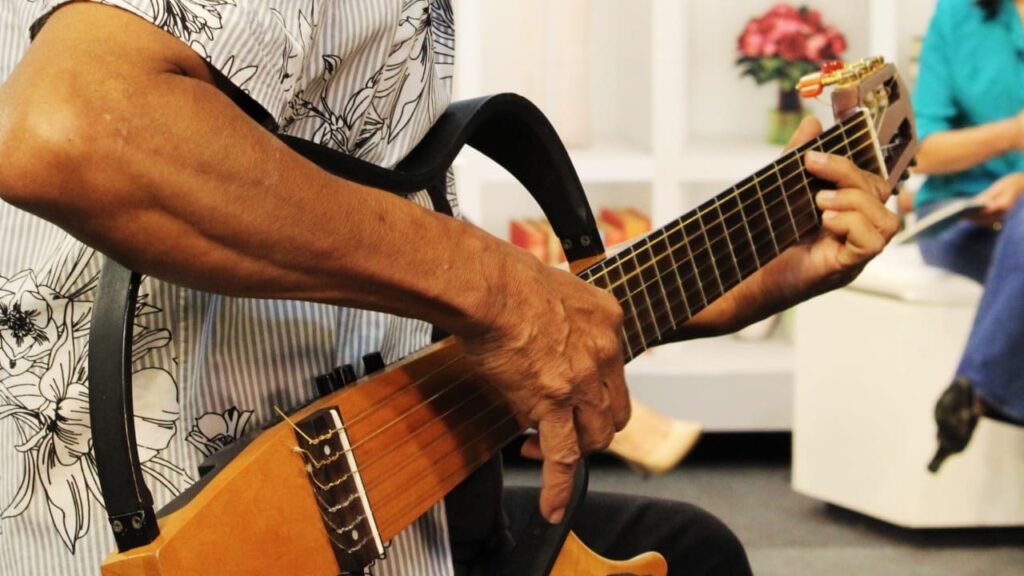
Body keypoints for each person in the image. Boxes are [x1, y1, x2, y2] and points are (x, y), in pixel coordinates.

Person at [0, 2, 896, 575]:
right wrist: (507, 297)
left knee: (690, 550)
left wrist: (731, 285)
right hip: (180, 520)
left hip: (363, 479)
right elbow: (71, 127)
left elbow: (369, 277)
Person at [912, 0, 1024, 471]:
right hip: (962, 215)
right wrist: (1016, 133)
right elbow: (924, 150)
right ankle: (980, 392)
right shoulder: (957, 15)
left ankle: (974, 389)